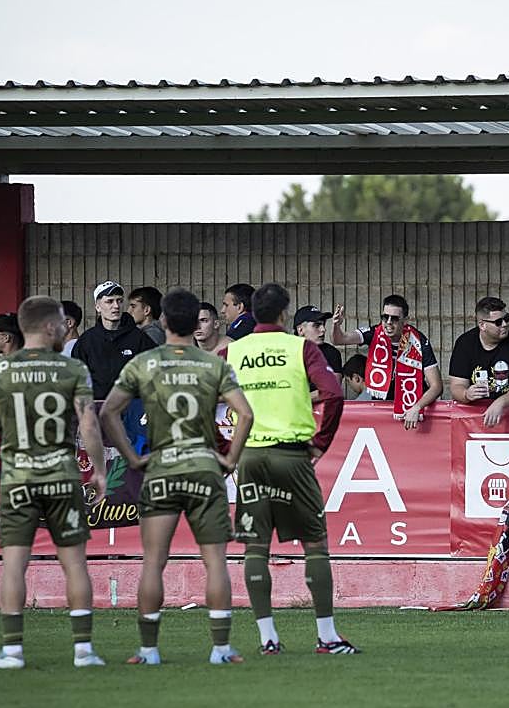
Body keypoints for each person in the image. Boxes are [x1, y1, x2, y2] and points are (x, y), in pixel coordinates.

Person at [100, 288, 254, 666]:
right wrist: (230, 459)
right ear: (193, 323)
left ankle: (148, 650)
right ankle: (221, 649)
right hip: (204, 469)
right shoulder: (214, 365)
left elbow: (108, 413)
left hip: (162, 469)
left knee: (154, 562)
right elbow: (245, 415)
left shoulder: (144, 363)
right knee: (215, 561)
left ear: (164, 321)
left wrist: (133, 458)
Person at [0, 296, 108, 670]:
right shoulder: (73, 369)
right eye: (62, 324)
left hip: (18, 478)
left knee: (14, 565)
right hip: (62, 477)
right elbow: (88, 422)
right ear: (51, 327)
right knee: (75, 564)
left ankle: (12, 652)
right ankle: (84, 651)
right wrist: (98, 471)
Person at [225, 283, 356, 655]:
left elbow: (204, 400)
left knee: (256, 547)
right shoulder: (301, 348)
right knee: (315, 545)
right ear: (284, 315)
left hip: (250, 457)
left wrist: (227, 450)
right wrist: (320, 442)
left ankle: (268, 638)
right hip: (293, 456)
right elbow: (332, 393)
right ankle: (327, 636)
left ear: (250, 313)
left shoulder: (232, 351)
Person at [331, 294, 442, 430]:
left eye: (394, 318)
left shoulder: (419, 341)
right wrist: (336, 326)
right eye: (385, 317)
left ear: (405, 320)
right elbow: (339, 339)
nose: (388, 322)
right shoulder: (374, 333)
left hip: (414, 411)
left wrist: (417, 407)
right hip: (383, 410)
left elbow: (436, 386)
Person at [447, 296, 509, 427]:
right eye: (498, 322)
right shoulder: (464, 343)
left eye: (507, 318)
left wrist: (501, 402)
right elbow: (456, 386)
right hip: (476, 420)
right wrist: (466, 394)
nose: (505, 324)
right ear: (482, 325)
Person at [71, 280, 158, 400]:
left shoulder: (140, 339)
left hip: (131, 409)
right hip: (98, 408)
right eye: (109, 301)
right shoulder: (86, 341)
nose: (116, 306)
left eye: (119, 301)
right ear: (98, 307)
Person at [294, 304, 344, 388]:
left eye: (323, 324)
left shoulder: (331, 353)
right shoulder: (286, 352)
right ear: (301, 330)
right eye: (316, 325)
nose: (323, 329)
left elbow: (333, 389)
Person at [215, 283, 256, 351]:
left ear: (239, 307)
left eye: (226, 305)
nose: (222, 310)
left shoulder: (240, 329)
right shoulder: (255, 322)